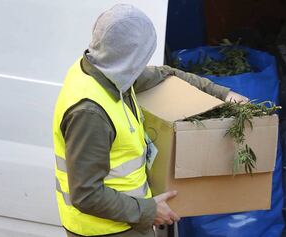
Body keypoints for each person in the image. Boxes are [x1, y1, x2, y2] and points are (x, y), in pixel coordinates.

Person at [52, 4, 248, 237]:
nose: (142, 65)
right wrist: (148, 211)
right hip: (106, 231)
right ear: (129, 57)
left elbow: (167, 74)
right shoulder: (90, 113)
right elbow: (86, 195)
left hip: (127, 222)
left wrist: (223, 94)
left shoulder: (107, 70)